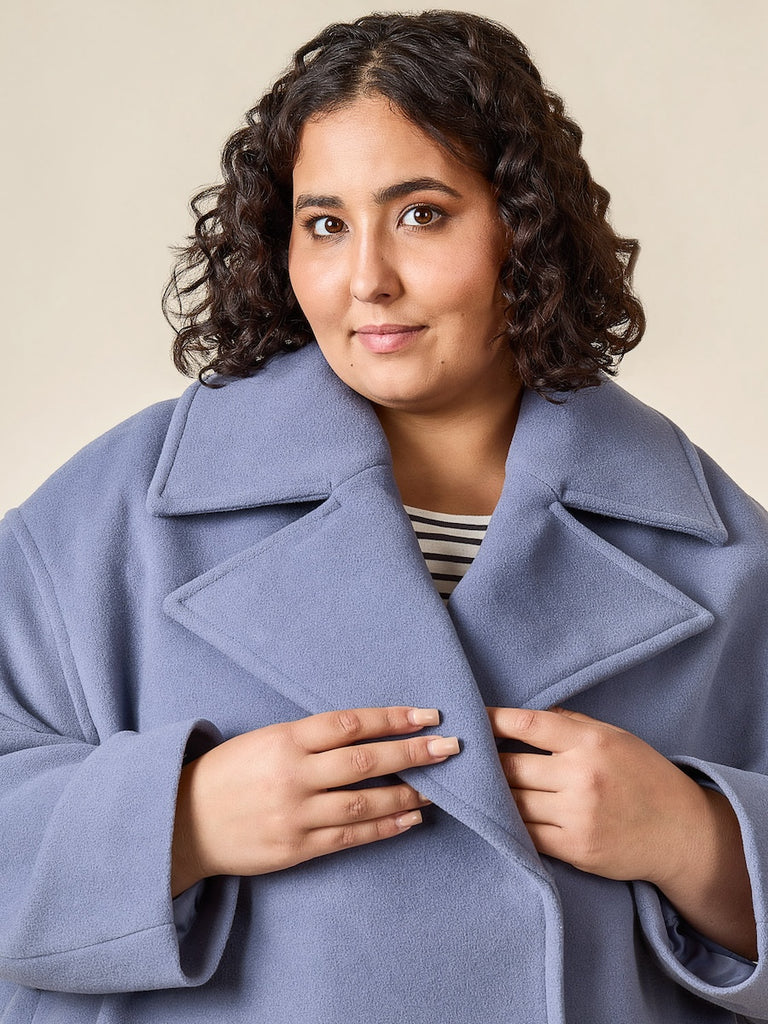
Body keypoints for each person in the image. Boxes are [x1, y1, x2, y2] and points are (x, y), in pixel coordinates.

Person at [1, 10, 767, 1023]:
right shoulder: (119, 514)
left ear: (523, 229)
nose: (367, 278)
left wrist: (697, 841)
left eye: (422, 215)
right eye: (325, 225)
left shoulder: (715, 546)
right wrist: (178, 822)